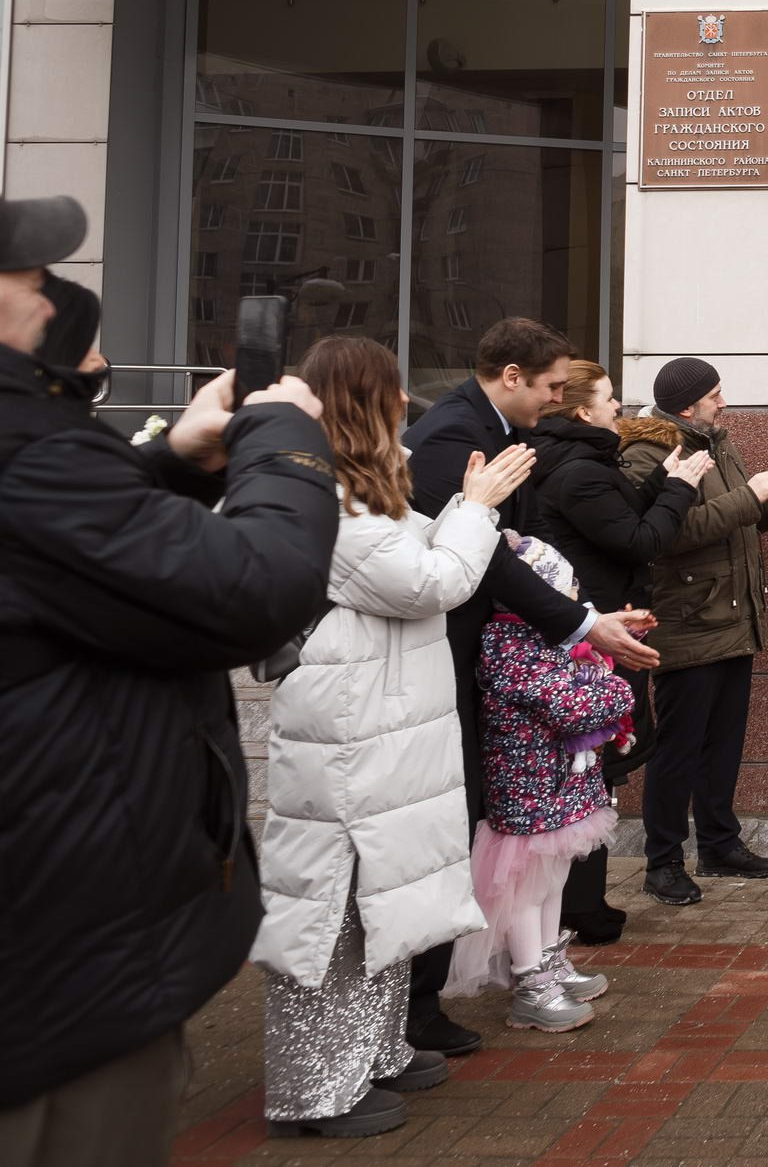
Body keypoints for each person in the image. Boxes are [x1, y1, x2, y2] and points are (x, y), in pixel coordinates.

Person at [0, 196, 339, 1167]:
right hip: (55, 969)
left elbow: (71, 556)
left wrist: (171, 465)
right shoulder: (26, 446)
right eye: (33, 279)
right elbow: (258, 587)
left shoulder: (37, 451)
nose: (58, 300)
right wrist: (284, 438)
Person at [252, 335, 529, 1138]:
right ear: (362, 405)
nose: (406, 408)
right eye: (392, 395)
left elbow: (423, 547)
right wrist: (477, 507)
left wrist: (465, 508)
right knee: (336, 905)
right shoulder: (322, 494)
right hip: (349, 723)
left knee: (382, 895)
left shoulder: (360, 489)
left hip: (380, 719)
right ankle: (313, 1087)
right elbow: (430, 580)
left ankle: (371, 1050)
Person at [399, 319, 659, 1056]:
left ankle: (527, 962)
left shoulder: (492, 427)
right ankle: (424, 1002)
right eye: (548, 387)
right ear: (510, 374)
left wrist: (587, 614)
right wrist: (582, 625)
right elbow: (487, 558)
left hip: (496, 648)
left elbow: (520, 544)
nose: (555, 401)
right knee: (475, 824)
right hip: (459, 659)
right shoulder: (455, 436)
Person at [621, 358, 768, 905]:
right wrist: (754, 495)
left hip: (733, 617)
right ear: (687, 404)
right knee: (678, 750)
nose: (725, 402)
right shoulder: (648, 452)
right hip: (688, 621)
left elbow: (742, 518)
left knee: (723, 744)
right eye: (716, 394)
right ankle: (662, 862)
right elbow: (669, 534)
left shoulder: (715, 440)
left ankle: (719, 844)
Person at [526, 360, 712, 943]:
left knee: (595, 768)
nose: (620, 408)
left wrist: (663, 481)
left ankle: (584, 903)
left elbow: (620, 516)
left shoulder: (586, 463)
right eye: (610, 399)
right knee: (590, 768)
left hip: (598, 629)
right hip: (594, 637)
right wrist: (680, 488)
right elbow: (638, 540)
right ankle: (581, 907)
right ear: (582, 410)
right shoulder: (580, 470)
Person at [445, 533, 637, 1033]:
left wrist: (598, 679)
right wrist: (617, 689)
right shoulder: (510, 645)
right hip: (530, 792)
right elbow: (571, 704)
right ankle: (531, 980)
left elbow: (578, 686)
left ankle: (549, 960)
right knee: (527, 891)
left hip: (556, 791)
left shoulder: (544, 641)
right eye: (565, 590)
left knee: (552, 883)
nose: (573, 599)